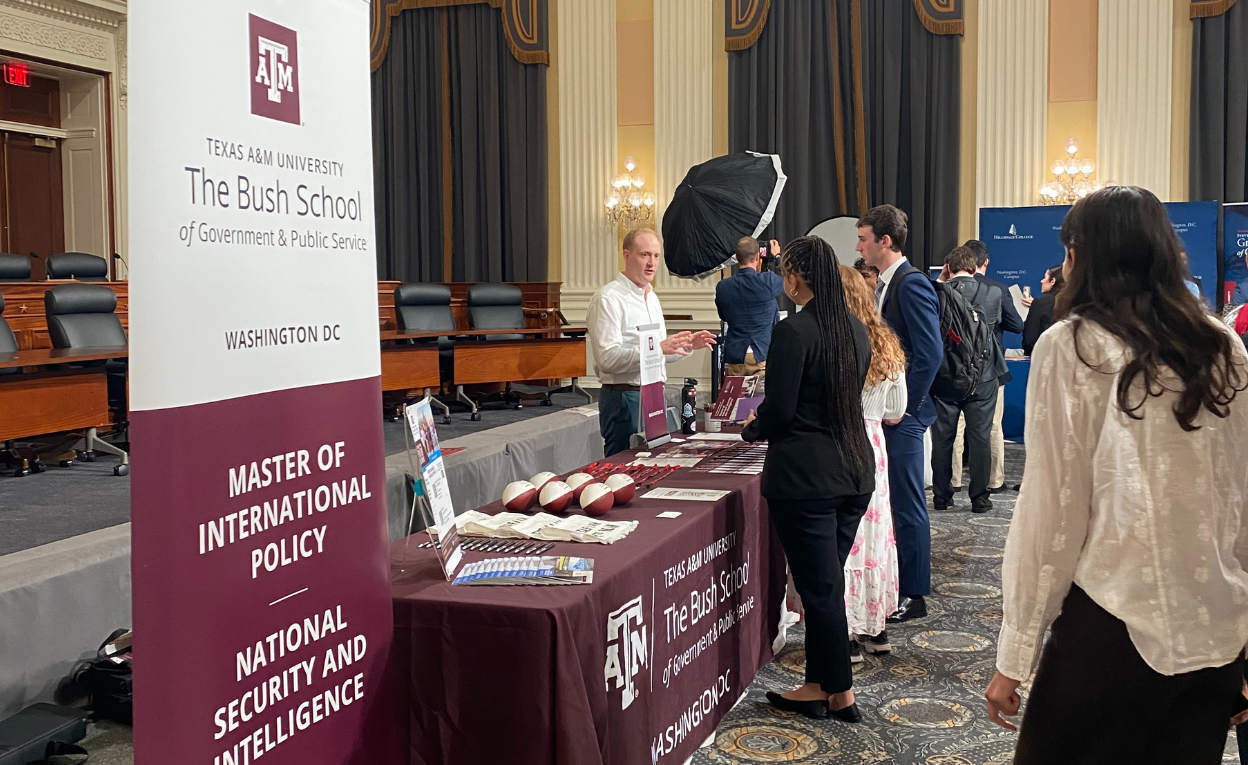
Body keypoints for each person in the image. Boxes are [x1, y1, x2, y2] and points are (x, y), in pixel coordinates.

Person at [985, 186, 1248, 764]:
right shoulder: (1224, 346)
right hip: (1218, 629)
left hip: (1116, 629)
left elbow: (1052, 513)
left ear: (1083, 256)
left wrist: (1015, 652)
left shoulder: (1073, 345)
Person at [741, 236, 874, 722]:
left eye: (784, 273)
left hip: (808, 479)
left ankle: (840, 694)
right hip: (855, 472)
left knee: (821, 589)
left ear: (797, 277)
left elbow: (780, 412)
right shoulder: (856, 330)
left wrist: (750, 430)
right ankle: (819, 684)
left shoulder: (794, 332)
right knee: (826, 583)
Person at [856, 204, 941, 624]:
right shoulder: (891, 284)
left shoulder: (910, 284)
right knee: (895, 502)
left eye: (863, 238)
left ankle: (915, 592)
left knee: (908, 504)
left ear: (884, 241)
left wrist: (907, 408)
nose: (859, 246)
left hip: (906, 416)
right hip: (897, 411)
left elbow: (929, 353)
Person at [586, 228, 716, 456]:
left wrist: (685, 346)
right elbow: (607, 359)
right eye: (644, 254)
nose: (651, 263)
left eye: (656, 256)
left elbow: (660, 355)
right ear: (626, 255)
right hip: (624, 396)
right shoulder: (608, 298)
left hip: (654, 394)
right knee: (622, 467)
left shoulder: (652, 298)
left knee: (652, 465)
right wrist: (657, 349)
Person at [839, 264, 905, 660]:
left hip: (841, 440)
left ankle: (846, 629)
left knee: (846, 539)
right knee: (876, 538)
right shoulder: (885, 341)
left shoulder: (839, 340)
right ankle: (876, 628)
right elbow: (898, 407)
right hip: (875, 442)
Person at [930, 247, 1007, 514]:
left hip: (945, 375)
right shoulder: (995, 293)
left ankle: (942, 497)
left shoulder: (934, 293)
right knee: (980, 438)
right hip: (984, 376)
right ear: (975, 269)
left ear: (947, 267)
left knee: (943, 438)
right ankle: (980, 499)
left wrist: (941, 281)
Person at [948, 239, 1023, 495]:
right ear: (985, 262)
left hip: (953, 368)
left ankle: (953, 480)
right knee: (992, 428)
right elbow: (1016, 326)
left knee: (954, 429)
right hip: (990, 368)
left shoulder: (945, 289)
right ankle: (994, 480)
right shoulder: (998, 289)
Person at [714, 236, 783, 377]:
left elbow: (723, 316)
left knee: (734, 399)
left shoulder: (723, 287)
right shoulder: (768, 281)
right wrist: (777, 256)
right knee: (760, 399)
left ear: (737, 258)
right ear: (758, 256)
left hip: (734, 355)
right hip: (761, 354)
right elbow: (790, 278)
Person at [1020, 264, 1063, 355]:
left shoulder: (1040, 303)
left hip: (1043, 358)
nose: (1041, 281)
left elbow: (1029, 341)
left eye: (1045, 277)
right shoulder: (1075, 303)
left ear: (1052, 281)